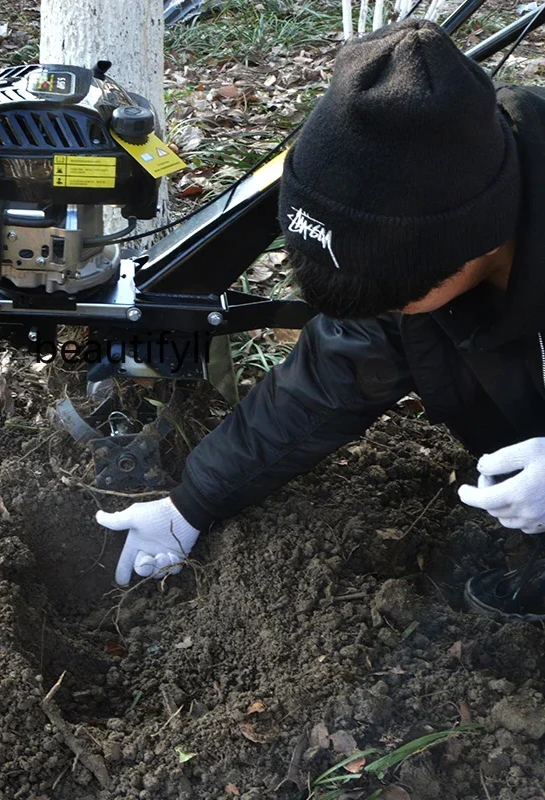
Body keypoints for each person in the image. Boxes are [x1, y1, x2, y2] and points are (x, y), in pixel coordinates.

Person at [96, 19, 545, 621]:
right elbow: (334, 372)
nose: (379, 315)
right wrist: (191, 504)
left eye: (389, 300)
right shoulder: (417, 239)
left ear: (477, 247)